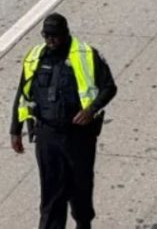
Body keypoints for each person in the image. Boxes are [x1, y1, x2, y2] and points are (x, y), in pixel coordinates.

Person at [9, 13, 117, 229]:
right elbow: (23, 93)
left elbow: (109, 87)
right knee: (51, 194)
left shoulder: (86, 54)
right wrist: (15, 130)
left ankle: (83, 224)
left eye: (55, 36)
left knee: (80, 191)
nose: (50, 41)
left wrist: (91, 110)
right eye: (46, 36)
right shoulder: (35, 56)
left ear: (65, 33)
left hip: (78, 135)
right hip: (47, 135)